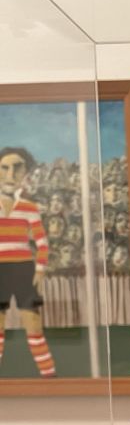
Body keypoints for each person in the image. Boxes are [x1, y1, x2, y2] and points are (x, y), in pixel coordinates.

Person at [0, 147, 56, 376]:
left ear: (26, 172)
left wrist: (40, 269)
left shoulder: (29, 208)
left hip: (24, 270)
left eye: (17, 168)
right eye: (4, 167)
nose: (10, 174)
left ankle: (49, 378)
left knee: (33, 325)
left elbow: (42, 242)